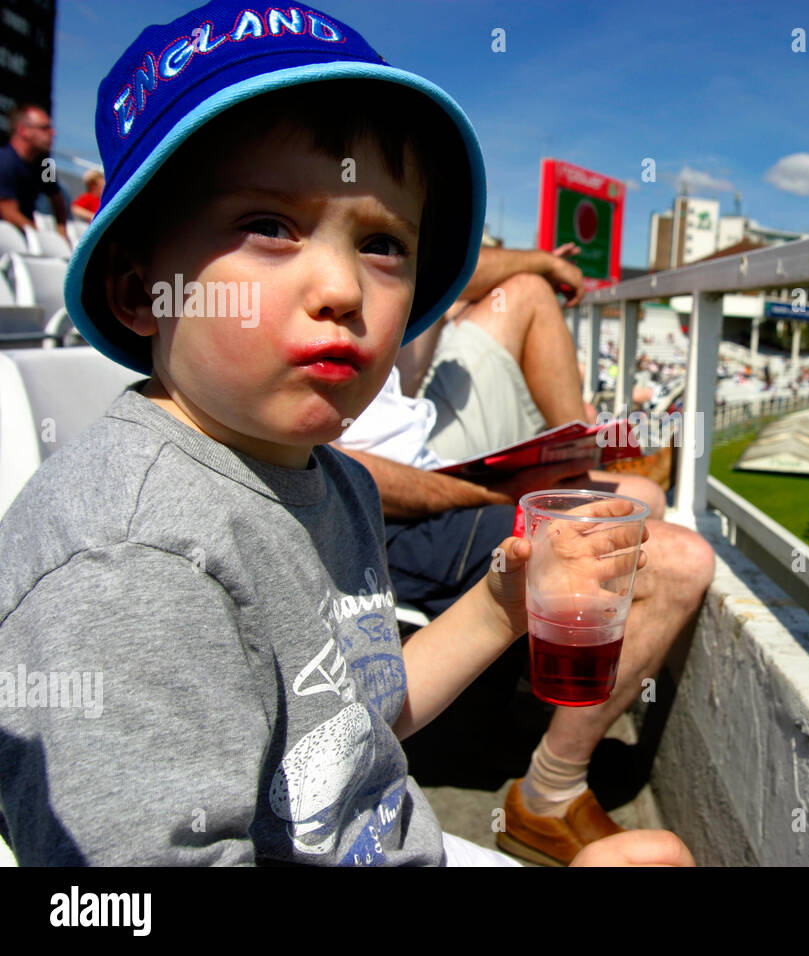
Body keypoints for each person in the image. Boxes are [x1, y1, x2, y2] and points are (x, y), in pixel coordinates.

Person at [0, 0, 692, 868]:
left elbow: (360, 724)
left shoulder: (332, 481)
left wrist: (501, 604)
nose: (342, 288)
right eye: (268, 225)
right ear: (141, 293)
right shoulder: (128, 563)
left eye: (382, 243)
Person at [332, 253, 715, 866]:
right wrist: (494, 494)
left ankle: (582, 465)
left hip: (420, 463)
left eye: (387, 244)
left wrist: (536, 263)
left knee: (635, 497)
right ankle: (548, 794)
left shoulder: (353, 288)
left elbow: (447, 267)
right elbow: (348, 473)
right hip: (392, 513)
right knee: (677, 560)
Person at [0, 103, 69, 240]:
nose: (52, 132)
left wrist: (62, 233)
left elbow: (57, 201)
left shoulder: (45, 164)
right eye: (45, 128)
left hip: (25, 237)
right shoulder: (4, 160)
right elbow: (8, 212)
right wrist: (43, 240)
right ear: (23, 131)